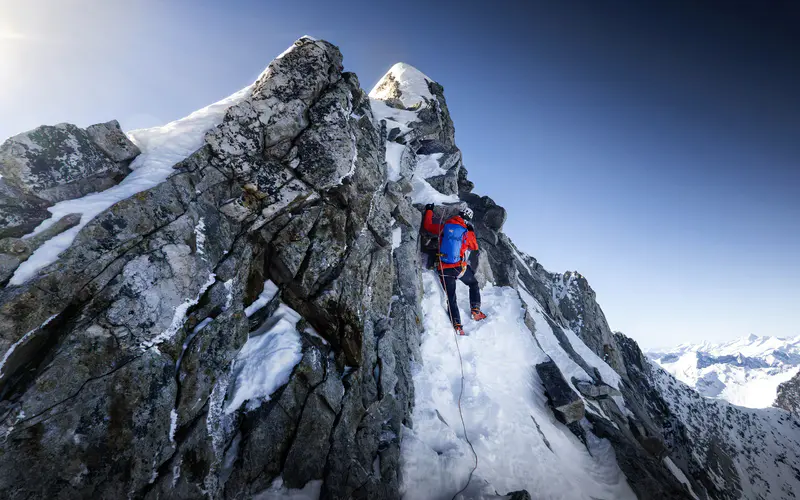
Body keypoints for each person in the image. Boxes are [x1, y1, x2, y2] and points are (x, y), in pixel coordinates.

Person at [423, 202, 487, 335]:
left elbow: (428, 226)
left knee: (451, 297)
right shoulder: (465, 230)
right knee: (473, 284)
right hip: (459, 268)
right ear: (467, 219)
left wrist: (429, 210)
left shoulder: (445, 226)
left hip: (443, 268)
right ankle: (475, 310)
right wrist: (470, 230)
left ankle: (457, 325)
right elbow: (474, 246)